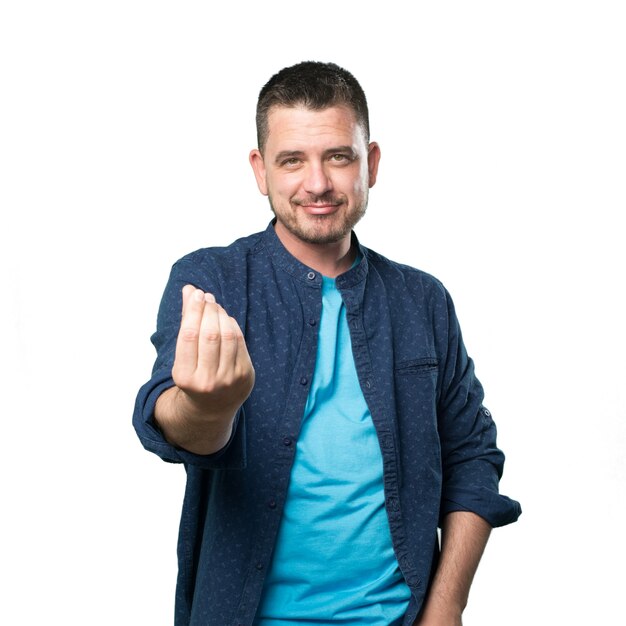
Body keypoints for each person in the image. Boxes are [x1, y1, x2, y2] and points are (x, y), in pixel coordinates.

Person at [133, 61, 521, 626]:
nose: (317, 184)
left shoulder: (423, 300)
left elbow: (472, 455)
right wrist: (207, 406)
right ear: (260, 170)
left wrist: (446, 606)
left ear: (372, 164)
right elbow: (168, 420)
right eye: (292, 160)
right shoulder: (211, 281)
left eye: (339, 156)